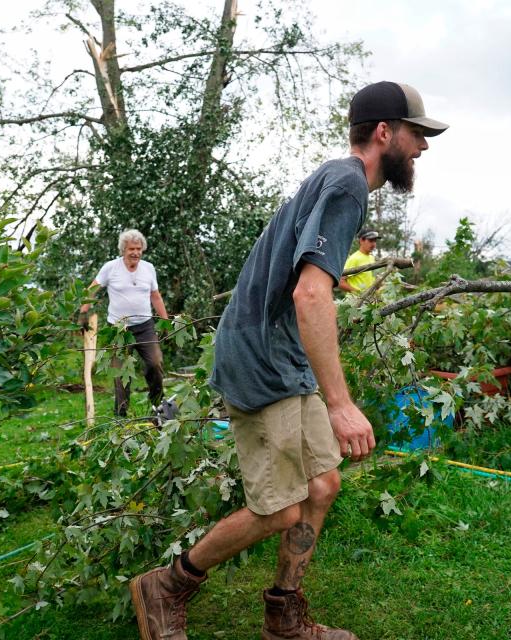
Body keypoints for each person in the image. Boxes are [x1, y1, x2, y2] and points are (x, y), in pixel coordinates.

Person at [129, 81, 448, 640]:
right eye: (416, 134)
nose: (422, 147)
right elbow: (310, 294)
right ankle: (165, 586)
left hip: (284, 356)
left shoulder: (340, 181)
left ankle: (284, 616)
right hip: (261, 358)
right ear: (384, 132)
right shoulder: (347, 184)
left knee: (322, 487)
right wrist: (342, 404)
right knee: (279, 508)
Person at [79, 229, 169, 417]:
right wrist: (83, 315)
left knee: (155, 363)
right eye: (131, 249)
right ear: (123, 250)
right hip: (118, 330)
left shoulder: (148, 268)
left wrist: (165, 321)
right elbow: (91, 291)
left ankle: (158, 407)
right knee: (120, 374)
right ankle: (121, 414)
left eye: (139, 248)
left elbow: (156, 296)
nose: (135, 252)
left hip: (145, 327)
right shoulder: (110, 268)